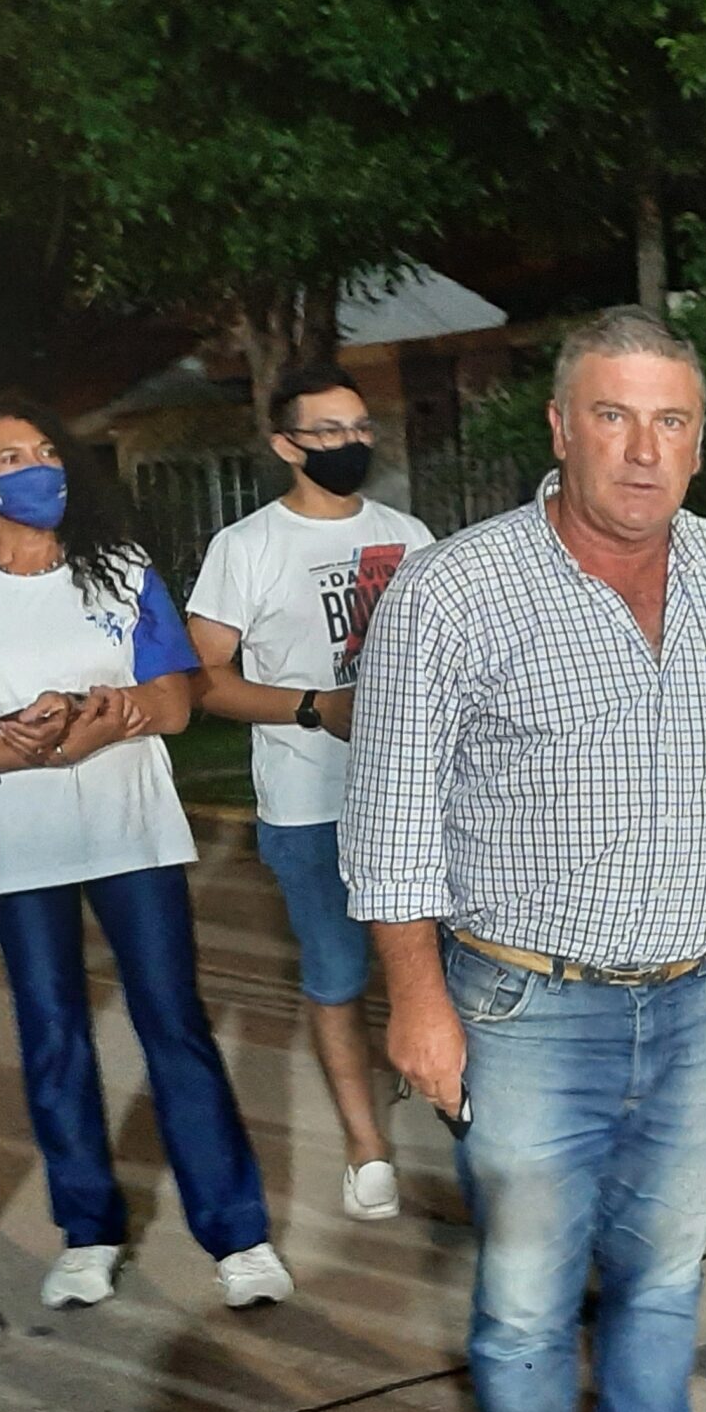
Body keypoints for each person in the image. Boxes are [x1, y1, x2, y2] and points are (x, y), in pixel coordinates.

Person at [342, 306, 706, 1412]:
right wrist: (417, 1003)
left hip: (697, 1000)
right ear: (558, 427)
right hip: (526, 1010)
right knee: (529, 1307)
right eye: (612, 416)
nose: (642, 450)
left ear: (698, 441)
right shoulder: (453, 591)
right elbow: (389, 820)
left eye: (669, 422)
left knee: (665, 1282)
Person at [0, 398, 290, 1311]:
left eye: (47, 449)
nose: (40, 467)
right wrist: (34, 746)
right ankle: (89, 1231)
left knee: (173, 1022)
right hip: (17, 841)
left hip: (130, 831)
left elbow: (176, 702)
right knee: (53, 1033)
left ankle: (237, 1235)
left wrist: (106, 719)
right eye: (11, 457)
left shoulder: (120, 570)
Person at [186, 362, 434, 1222]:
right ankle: (367, 1150)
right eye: (329, 431)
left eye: (360, 428)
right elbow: (203, 680)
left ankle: (440, 1095)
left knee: (436, 965)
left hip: (419, 799)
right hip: (310, 804)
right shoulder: (246, 548)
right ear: (286, 445)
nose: (350, 443)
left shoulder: (407, 533)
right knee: (336, 975)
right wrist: (312, 707)